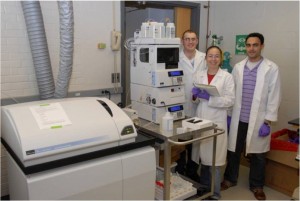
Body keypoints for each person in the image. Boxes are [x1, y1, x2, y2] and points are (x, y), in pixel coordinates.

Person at [221, 32, 281, 201]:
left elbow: (274, 95)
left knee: (259, 155)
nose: (251, 48)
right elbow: (232, 94)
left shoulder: (271, 68)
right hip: (239, 118)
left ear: (262, 46)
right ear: (245, 47)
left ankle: (257, 185)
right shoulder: (239, 68)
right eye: (248, 45)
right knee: (233, 150)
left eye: (255, 45)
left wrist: (268, 121)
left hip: (259, 121)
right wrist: (229, 115)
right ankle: (230, 179)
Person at [191, 45, 235, 200]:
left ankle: (215, 194)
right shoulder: (199, 75)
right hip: (201, 120)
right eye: (210, 56)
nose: (213, 59)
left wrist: (211, 98)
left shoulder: (227, 77)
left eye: (217, 56)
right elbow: (196, 101)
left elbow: (230, 100)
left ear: (220, 59)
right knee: (203, 159)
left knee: (215, 162)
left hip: (217, 122)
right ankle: (204, 189)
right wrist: (195, 96)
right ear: (206, 58)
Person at [175, 30, 206, 181]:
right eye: (187, 39)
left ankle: (192, 171)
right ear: (182, 41)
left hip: (200, 104)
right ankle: (180, 170)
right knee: (180, 139)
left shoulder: (204, 58)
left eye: (193, 39)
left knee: (196, 141)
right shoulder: (177, 57)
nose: (190, 42)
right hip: (180, 103)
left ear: (197, 40)